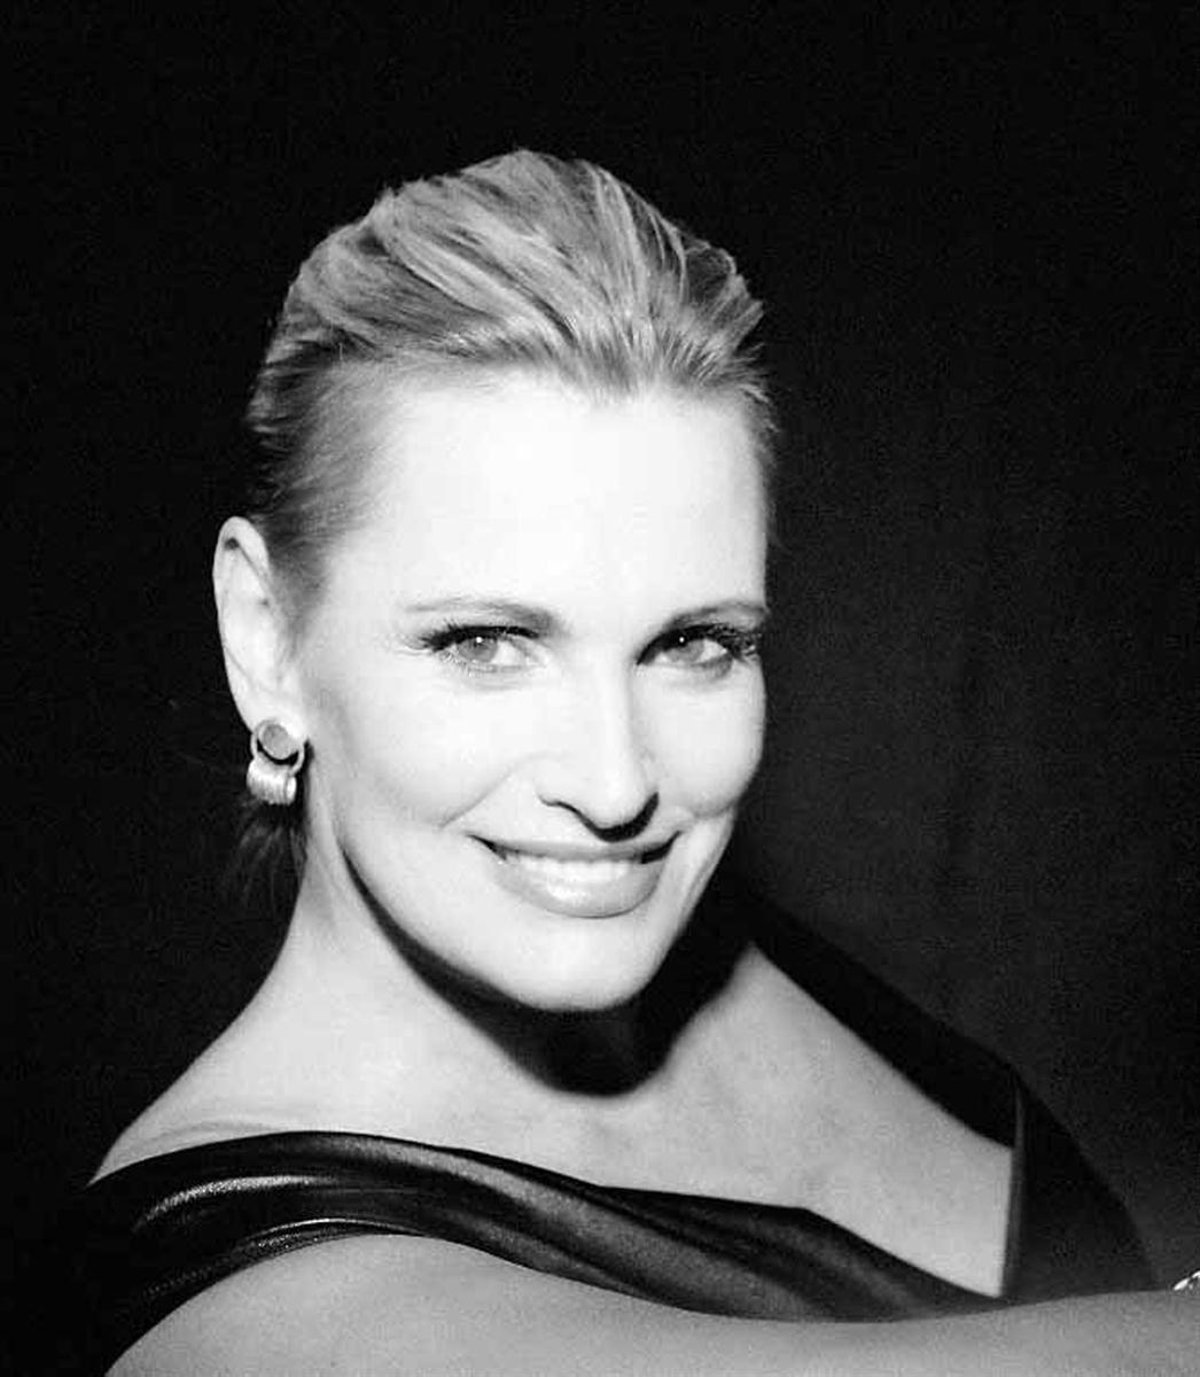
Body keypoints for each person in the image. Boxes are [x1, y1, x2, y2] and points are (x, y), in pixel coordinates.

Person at [44, 150, 1193, 1375]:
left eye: (695, 644)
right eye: (485, 643)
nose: (617, 786)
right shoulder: (245, 1332)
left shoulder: (690, 941)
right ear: (266, 639)